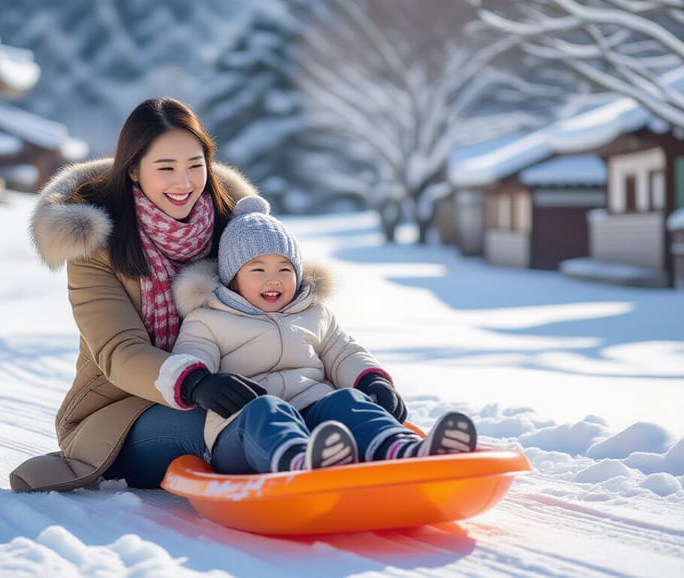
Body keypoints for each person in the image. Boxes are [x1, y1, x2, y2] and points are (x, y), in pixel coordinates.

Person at [9, 97, 270, 492]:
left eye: (195, 166)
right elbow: (119, 351)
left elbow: (290, 313)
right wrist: (196, 383)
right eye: (165, 168)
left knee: (303, 401)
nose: (184, 183)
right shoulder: (96, 248)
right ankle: (295, 466)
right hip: (121, 412)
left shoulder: (232, 231)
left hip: (235, 388)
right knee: (228, 423)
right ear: (133, 170)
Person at [154, 195, 477, 474]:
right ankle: (300, 461)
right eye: (258, 270)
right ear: (232, 277)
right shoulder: (208, 319)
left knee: (347, 401)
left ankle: (404, 449)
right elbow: (190, 355)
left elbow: (344, 352)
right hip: (243, 430)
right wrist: (198, 382)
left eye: (285, 269)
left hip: (315, 417)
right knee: (267, 410)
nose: (273, 279)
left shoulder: (313, 313)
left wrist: (372, 381)